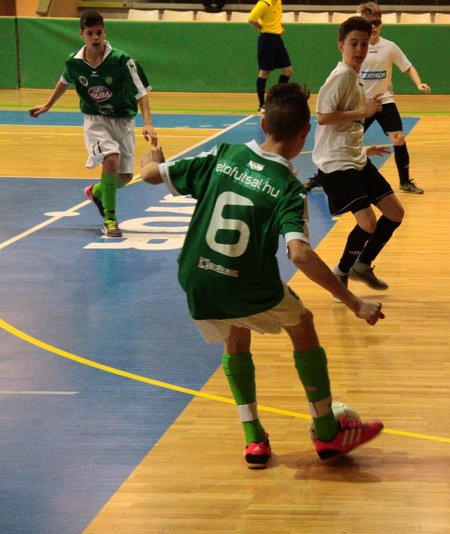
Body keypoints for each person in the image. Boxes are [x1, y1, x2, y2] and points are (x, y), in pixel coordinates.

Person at [139, 83, 385, 468]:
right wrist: (353, 302)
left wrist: (151, 158)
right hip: (246, 283)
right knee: (302, 325)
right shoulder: (288, 188)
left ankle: (254, 439)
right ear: (305, 133)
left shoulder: (223, 155)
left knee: (236, 332)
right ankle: (327, 432)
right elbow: (299, 253)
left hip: (197, 277)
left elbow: (151, 176)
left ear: (263, 123)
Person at [29, 10, 158, 238]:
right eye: (90, 33)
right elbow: (64, 80)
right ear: (82, 34)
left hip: (123, 120)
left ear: (104, 32)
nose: (95, 37)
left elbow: (141, 93)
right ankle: (110, 220)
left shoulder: (122, 60)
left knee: (124, 177)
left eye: (99, 32)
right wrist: (48, 105)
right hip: (95, 120)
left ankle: (96, 191)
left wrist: (148, 123)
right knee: (111, 159)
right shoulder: (74, 62)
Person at [311, 16, 405, 294]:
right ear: (341, 45)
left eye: (364, 44)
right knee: (368, 223)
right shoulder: (340, 76)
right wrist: (363, 112)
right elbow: (323, 116)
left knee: (395, 213)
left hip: (355, 158)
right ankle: (340, 273)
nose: (360, 49)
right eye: (354, 43)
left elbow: (345, 125)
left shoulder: (355, 77)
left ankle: (362, 265)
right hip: (336, 164)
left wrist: (363, 148)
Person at [357, 2, 430, 194]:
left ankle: (405, 182)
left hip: (385, 101)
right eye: (369, 23)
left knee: (398, 138)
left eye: (377, 22)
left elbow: (408, 67)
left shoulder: (389, 47)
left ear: (381, 24)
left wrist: (419, 84)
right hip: (362, 103)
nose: (373, 26)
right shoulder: (357, 47)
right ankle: (321, 177)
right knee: (346, 141)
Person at [247, 0, 293, 112]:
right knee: (264, 72)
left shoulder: (278, 2)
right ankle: (262, 105)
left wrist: (278, 27)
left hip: (277, 39)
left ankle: (277, 100)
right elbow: (251, 19)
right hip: (266, 40)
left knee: (288, 70)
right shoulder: (264, 3)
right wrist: (261, 28)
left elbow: (274, 19)